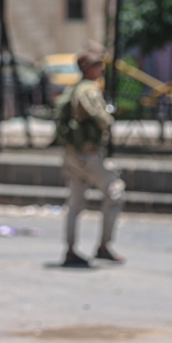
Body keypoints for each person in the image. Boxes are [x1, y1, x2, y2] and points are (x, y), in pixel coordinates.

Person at [56, 41, 127, 267]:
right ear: (88, 69)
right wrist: (108, 119)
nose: (101, 69)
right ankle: (104, 246)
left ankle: (70, 250)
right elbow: (101, 118)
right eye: (97, 65)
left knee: (75, 202)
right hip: (88, 155)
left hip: (72, 155)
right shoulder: (89, 89)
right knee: (115, 193)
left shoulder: (73, 88)